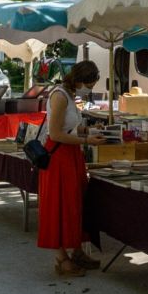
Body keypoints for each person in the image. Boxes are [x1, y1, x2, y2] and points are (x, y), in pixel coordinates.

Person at [39, 60, 105, 277]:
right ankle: (61, 258)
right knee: (60, 205)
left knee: (75, 203)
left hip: (71, 155)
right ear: (80, 80)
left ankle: (76, 250)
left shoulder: (69, 94)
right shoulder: (59, 96)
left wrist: (88, 130)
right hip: (59, 157)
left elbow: (70, 127)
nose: (90, 89)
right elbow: (56, 133)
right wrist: (87, 141)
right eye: (90, 84)